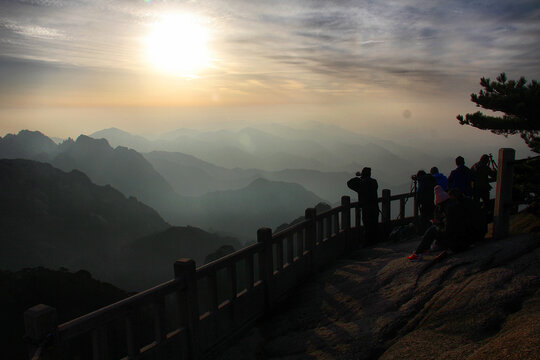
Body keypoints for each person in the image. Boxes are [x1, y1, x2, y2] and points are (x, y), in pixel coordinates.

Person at [408, 186, 486, 261]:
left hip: (459, 244)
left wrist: (437, 226)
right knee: (436, 229)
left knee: (433, 230)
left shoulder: (449, 210)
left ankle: (418, 253)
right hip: (468, 240)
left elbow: (448, 229)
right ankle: (424, 249)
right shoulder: (457, 205)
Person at [347, 167, 379, 245]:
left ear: (363, 174)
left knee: (367, 226)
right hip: (375, 208)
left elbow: (349, 183)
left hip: (366, 208)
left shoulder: (361, 184)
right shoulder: (374, 182)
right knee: (374, 225)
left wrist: (359, 176)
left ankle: (368, 243)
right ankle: (375, 242)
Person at [416, 170, 437, 234]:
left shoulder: (422, 180)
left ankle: (423, 231)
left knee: (424, 217)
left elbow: (419, 191)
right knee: (433, 215)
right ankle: (435, 228)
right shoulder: (432, 178)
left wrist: (418, 200)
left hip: (425, 202)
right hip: (433, 200)